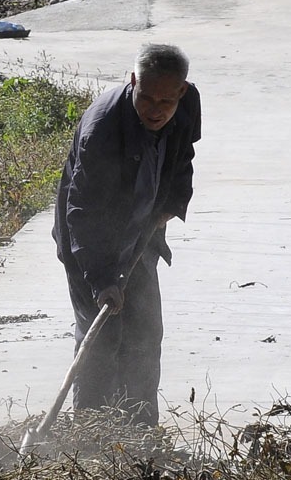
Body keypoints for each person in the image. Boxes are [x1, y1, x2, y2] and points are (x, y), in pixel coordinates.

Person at [52, 43, 201, 425]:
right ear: (133, 81)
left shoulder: (186, 103)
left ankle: (140, 430)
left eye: (166, 101)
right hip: (89, 244)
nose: (156, 109)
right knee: (101, 340)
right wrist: (101, 279)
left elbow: (183, 155)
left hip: (141, 235)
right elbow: (82, 211)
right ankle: (93, 432)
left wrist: (172, 202)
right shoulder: (102, 129)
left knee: (145, 334)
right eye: (146, 97)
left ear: (181, 91)